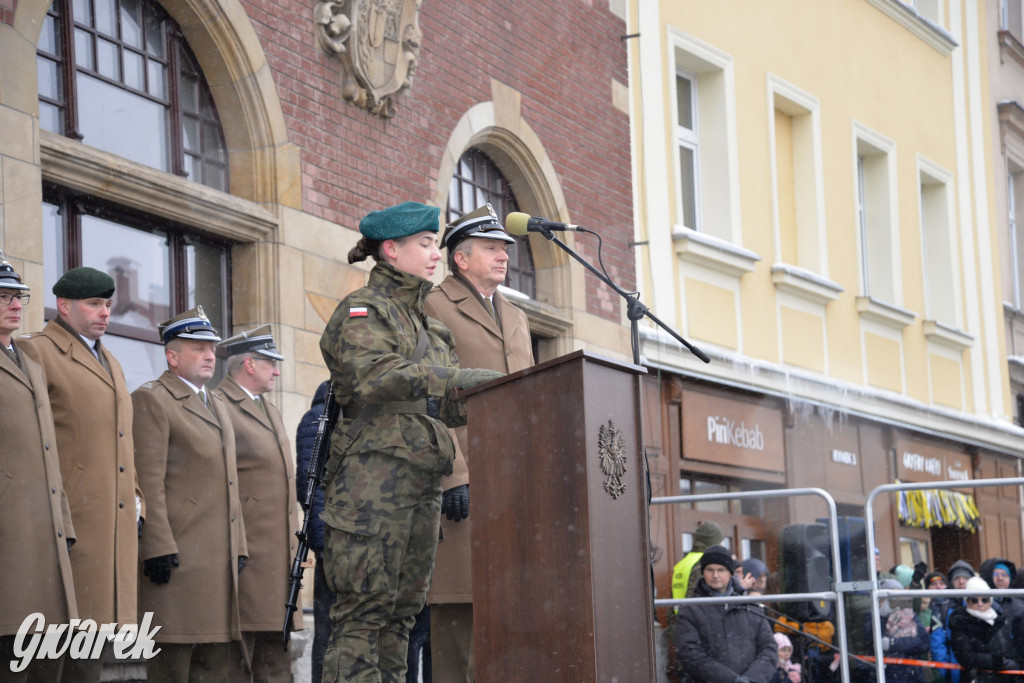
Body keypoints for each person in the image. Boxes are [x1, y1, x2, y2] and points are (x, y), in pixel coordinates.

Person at [318, 201, 504, 682]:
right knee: (363, 619)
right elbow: (373, 376)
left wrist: (497, 396)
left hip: (420, 489)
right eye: (424, 244)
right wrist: (459, 378)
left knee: (401, 619)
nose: (434, 254)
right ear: (391, 249)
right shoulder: (362, 310)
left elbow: (441, 404)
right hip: (370, 488)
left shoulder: (430, 325)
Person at [421, 203, 534, 682]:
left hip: (514, 485)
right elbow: (430, 394)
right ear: (460, 258)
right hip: (463, 484)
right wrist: (455, 474)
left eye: (505, 248)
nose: (503, 256)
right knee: (458, 621)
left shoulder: (514, 314)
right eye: (491, 248)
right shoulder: (434, 305)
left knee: (507, 624)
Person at [18, 266, 142, 683]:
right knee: (49, 650)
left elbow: (123, 440)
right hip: (68, 519)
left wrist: (136, 497)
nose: (105, 312)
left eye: (107, 304)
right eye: (94, 304)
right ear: (64, 305)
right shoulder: (36, 351)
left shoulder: (111, 360)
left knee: (88, 650)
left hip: (110, 522)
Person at [133, 306, 247, 681]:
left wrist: (239, 546)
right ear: (172, 356)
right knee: (173, 663)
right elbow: (148, 481)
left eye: (211, 348)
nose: (210, 355)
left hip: (216, 560)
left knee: (214, 666)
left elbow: (231, 482)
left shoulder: (215, 402)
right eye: (198, 348)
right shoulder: (153, 399)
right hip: (178, 558)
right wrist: (157, 546)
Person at [0, 253, 77, 680]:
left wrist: (64, 524)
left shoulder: (30, 364)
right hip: (8, 536)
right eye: (5, 296)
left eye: (19, 297)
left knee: (47, 659)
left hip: (45, 535)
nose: (16, 304)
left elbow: (50, 453)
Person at [214, 324, 299, 682]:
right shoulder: (220, 405)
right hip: (245, 555)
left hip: (276, 556)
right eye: (270, 363)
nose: (277, 371)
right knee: (239, 657)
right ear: (248, 365)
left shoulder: (269, 408)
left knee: (275, 657)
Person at [675, 544, 777, 683]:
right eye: (710, 570)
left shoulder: (750, 606)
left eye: (721, 570)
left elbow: (769, 649)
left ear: (730, 572)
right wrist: (731, 680)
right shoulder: (690, 609)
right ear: (703, 572)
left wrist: (752, 679)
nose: (715, 575)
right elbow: (691, 654)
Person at [295, 379, 333, 683]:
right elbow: (310, 487)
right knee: (327, 631)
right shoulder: (319, 417)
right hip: (333, 542)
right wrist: (323, 544)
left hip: (359, 541)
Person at [948, 575, 1023, 683]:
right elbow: (966, 657)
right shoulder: (960, 623)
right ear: (967, 601)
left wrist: (1014, 662)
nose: (980, 604)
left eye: (984, 599)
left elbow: (1008, 647)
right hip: (978, 679)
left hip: (1004, 678)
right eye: (974, 600)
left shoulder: (998, 620)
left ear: (990, 601)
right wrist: (997, 661)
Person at [873, 578, 929, 683]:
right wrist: (882, 615)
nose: (898, 600)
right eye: (893, 597)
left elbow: (923, 642)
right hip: (888, 674)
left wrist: (893, 644)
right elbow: (873, 642)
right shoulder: (874, 616)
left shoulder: (910, 615)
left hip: (912, 673)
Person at [931, 560, 975, 683]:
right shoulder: (942, 605)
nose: (961, 581)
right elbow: (937, 642)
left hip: (978, 668)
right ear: (951, 581)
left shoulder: (981, 601)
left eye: (965, 577)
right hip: (953, 669)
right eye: (957, 578)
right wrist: (945, 670)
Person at [671, 520, 726, 602]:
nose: (722, 546)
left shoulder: (682, 563)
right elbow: (696, 600)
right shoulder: (704, 562)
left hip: (680, 614)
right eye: (720, 542)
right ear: (713, 543)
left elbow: (672, 601)